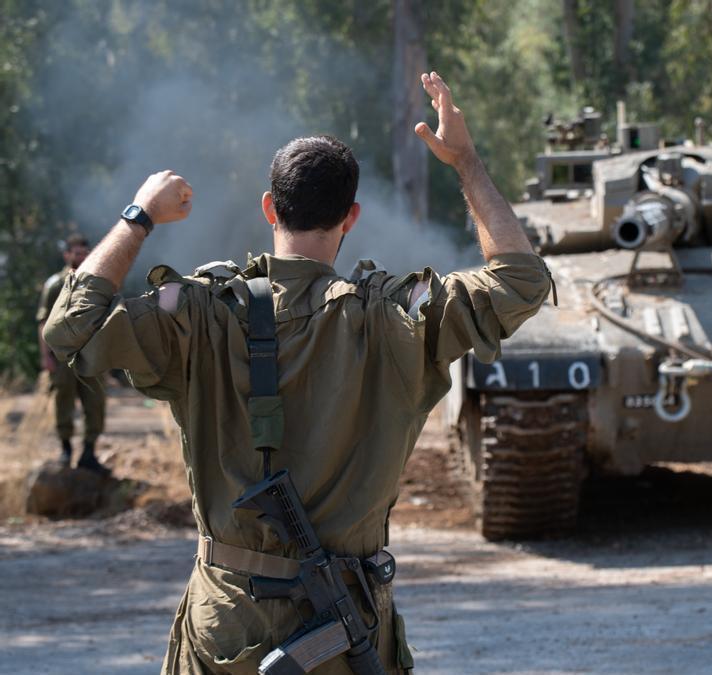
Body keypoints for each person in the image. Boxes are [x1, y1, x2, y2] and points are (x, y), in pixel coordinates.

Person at [43, 72, 551, 674]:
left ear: (268, 208)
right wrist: (465, 162)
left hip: (227, 628)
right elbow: (521, 281)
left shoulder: (202, 312)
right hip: (346, 633)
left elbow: (69, 329)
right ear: (352, 217)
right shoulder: (396, 316)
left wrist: (139, 216)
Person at [37, 233, 109, 473]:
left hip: (91, 355)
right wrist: (46, 356)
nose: (80, 256)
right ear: (67, 254)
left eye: (84, 252)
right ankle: (66, 450)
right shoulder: (55, 284)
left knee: (96, 404)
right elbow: (44, 321)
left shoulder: (97, 282)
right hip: (62, 356)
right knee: (63, 402)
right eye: (76, 252)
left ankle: (89, 452)